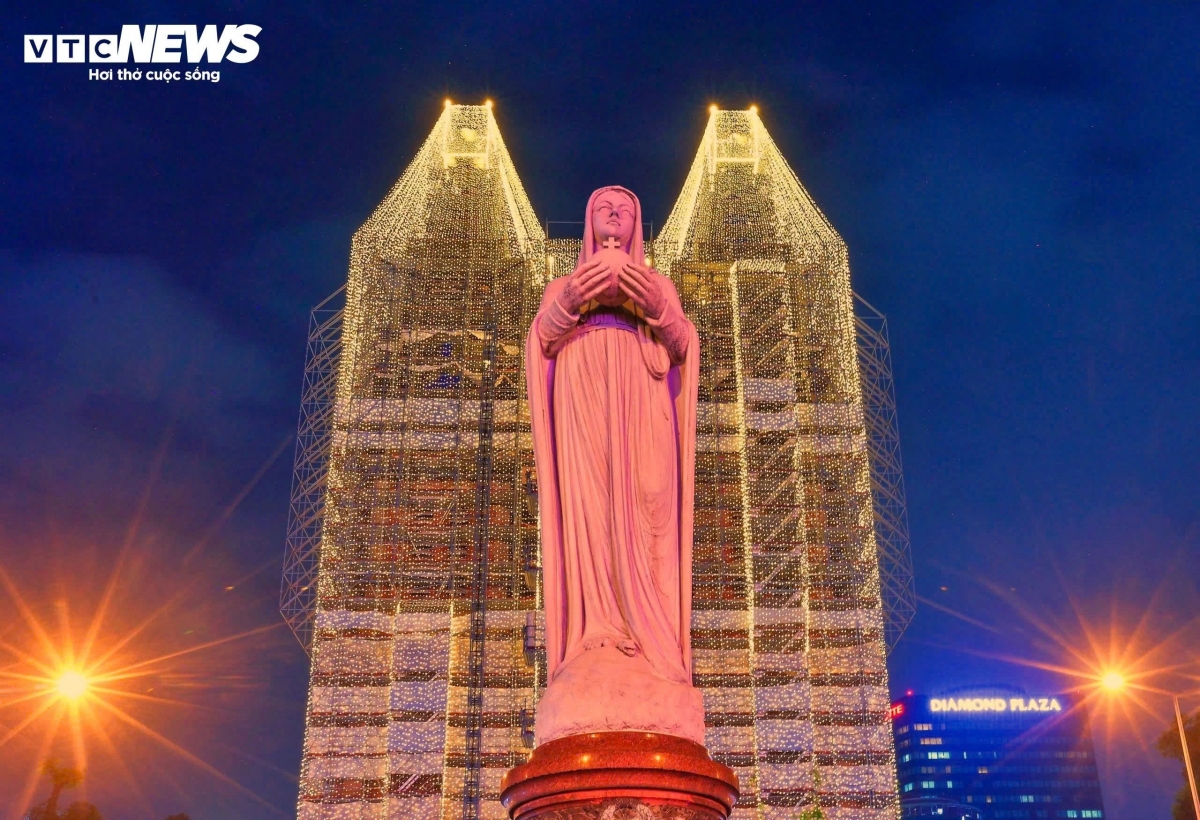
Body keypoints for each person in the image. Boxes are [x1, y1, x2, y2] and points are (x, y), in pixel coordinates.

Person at [525, 186, 704, 742]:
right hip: (582, 389)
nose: (614, 214)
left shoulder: (658, 283)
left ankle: (653, 642)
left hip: (642, 394)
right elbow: (541, 339)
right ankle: (596, 633)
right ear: (588, 222)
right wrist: (571, 299)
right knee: (593, 507)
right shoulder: (563, 284)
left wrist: (654, 306)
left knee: (650, 501)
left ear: (636, 225)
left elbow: (684, 344)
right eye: (605, 208)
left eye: (625, 210)